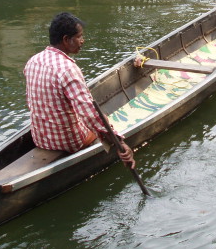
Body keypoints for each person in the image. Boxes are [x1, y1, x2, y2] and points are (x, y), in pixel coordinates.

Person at [24, 12, 136, 168]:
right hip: (68, 141)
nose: (83, 41)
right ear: (66, 40)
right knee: (102, 120)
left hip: (40, 138)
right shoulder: (68, 69)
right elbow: (89, 113)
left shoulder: (33, 61)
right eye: (79, 37)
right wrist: (119, 141)